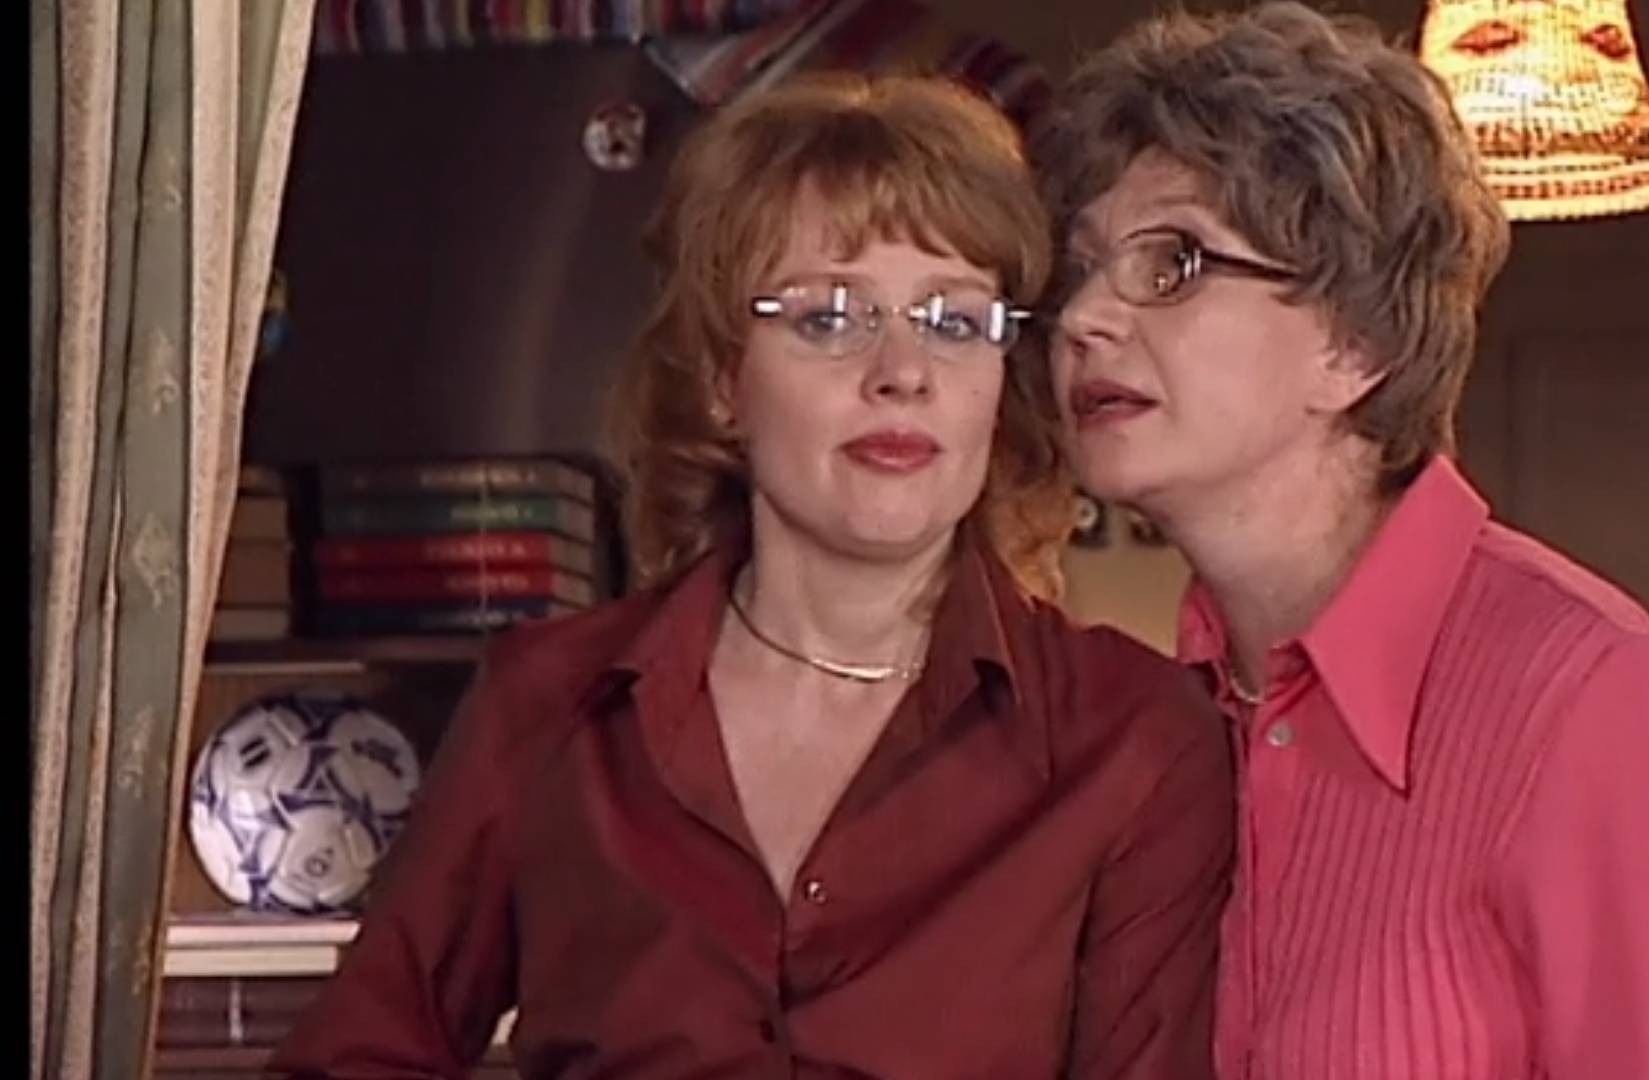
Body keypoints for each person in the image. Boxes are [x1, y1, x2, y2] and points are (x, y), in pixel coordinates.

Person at [271, 73, 1233, 1079]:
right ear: (724, 377)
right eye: (830, 318)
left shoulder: (1132, 740)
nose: (902, 372)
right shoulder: (547, 707)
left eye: (953, 322)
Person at [1031, 5, 1649, 1079]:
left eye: (1173, 263)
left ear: (1356, 343)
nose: (1085, 318)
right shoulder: (1166, 721)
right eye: (1080, 269)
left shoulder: (1588, 703)